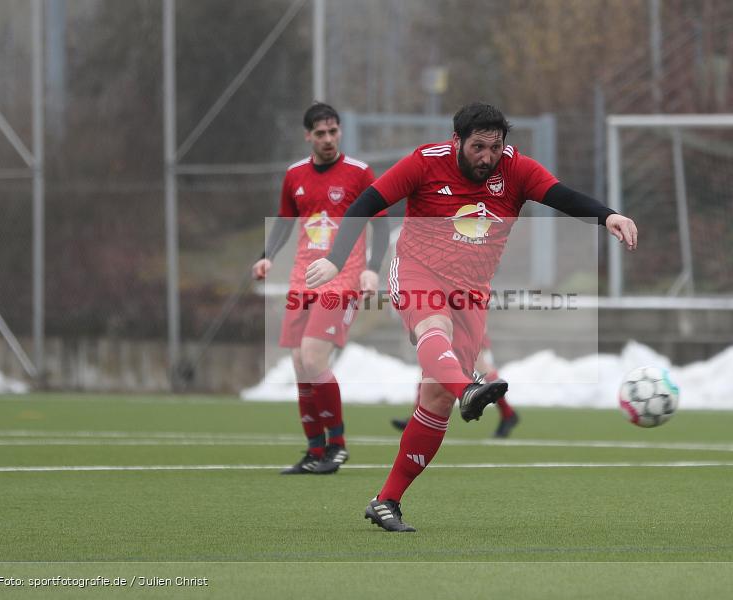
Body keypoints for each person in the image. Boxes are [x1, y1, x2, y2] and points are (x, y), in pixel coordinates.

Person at [306, 102, 637, 530]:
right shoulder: (425, 163)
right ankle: (468, 388)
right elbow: (366, 202)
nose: (487, 156)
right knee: (433, 327)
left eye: (495, 147)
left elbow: (561, 196)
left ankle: (387, 500)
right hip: (416, 269)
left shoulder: (516, 170)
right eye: (478, 147)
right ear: (457, 141)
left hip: (472, 293)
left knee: (435, 400)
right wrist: (335, 260)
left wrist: (608, 216)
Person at [253, 102, 389, 475]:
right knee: (300, 365)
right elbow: (285, 219)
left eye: (334, 132)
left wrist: (372, 270)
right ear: (308, 135)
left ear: (339, 132)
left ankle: (338, 445)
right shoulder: (294, 174)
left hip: (343, 277)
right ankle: (315, 450)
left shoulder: (360, 173)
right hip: (302, 279)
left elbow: (380, 224)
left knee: (313, 358)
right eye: (321, 133)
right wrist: (267, 256)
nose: (328, 139)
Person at [391, 330, 520, 438]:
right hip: (453, 315)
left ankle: (507, 413)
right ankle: (417, 416)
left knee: (479, 362)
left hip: (464, 315)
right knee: (430, 360)